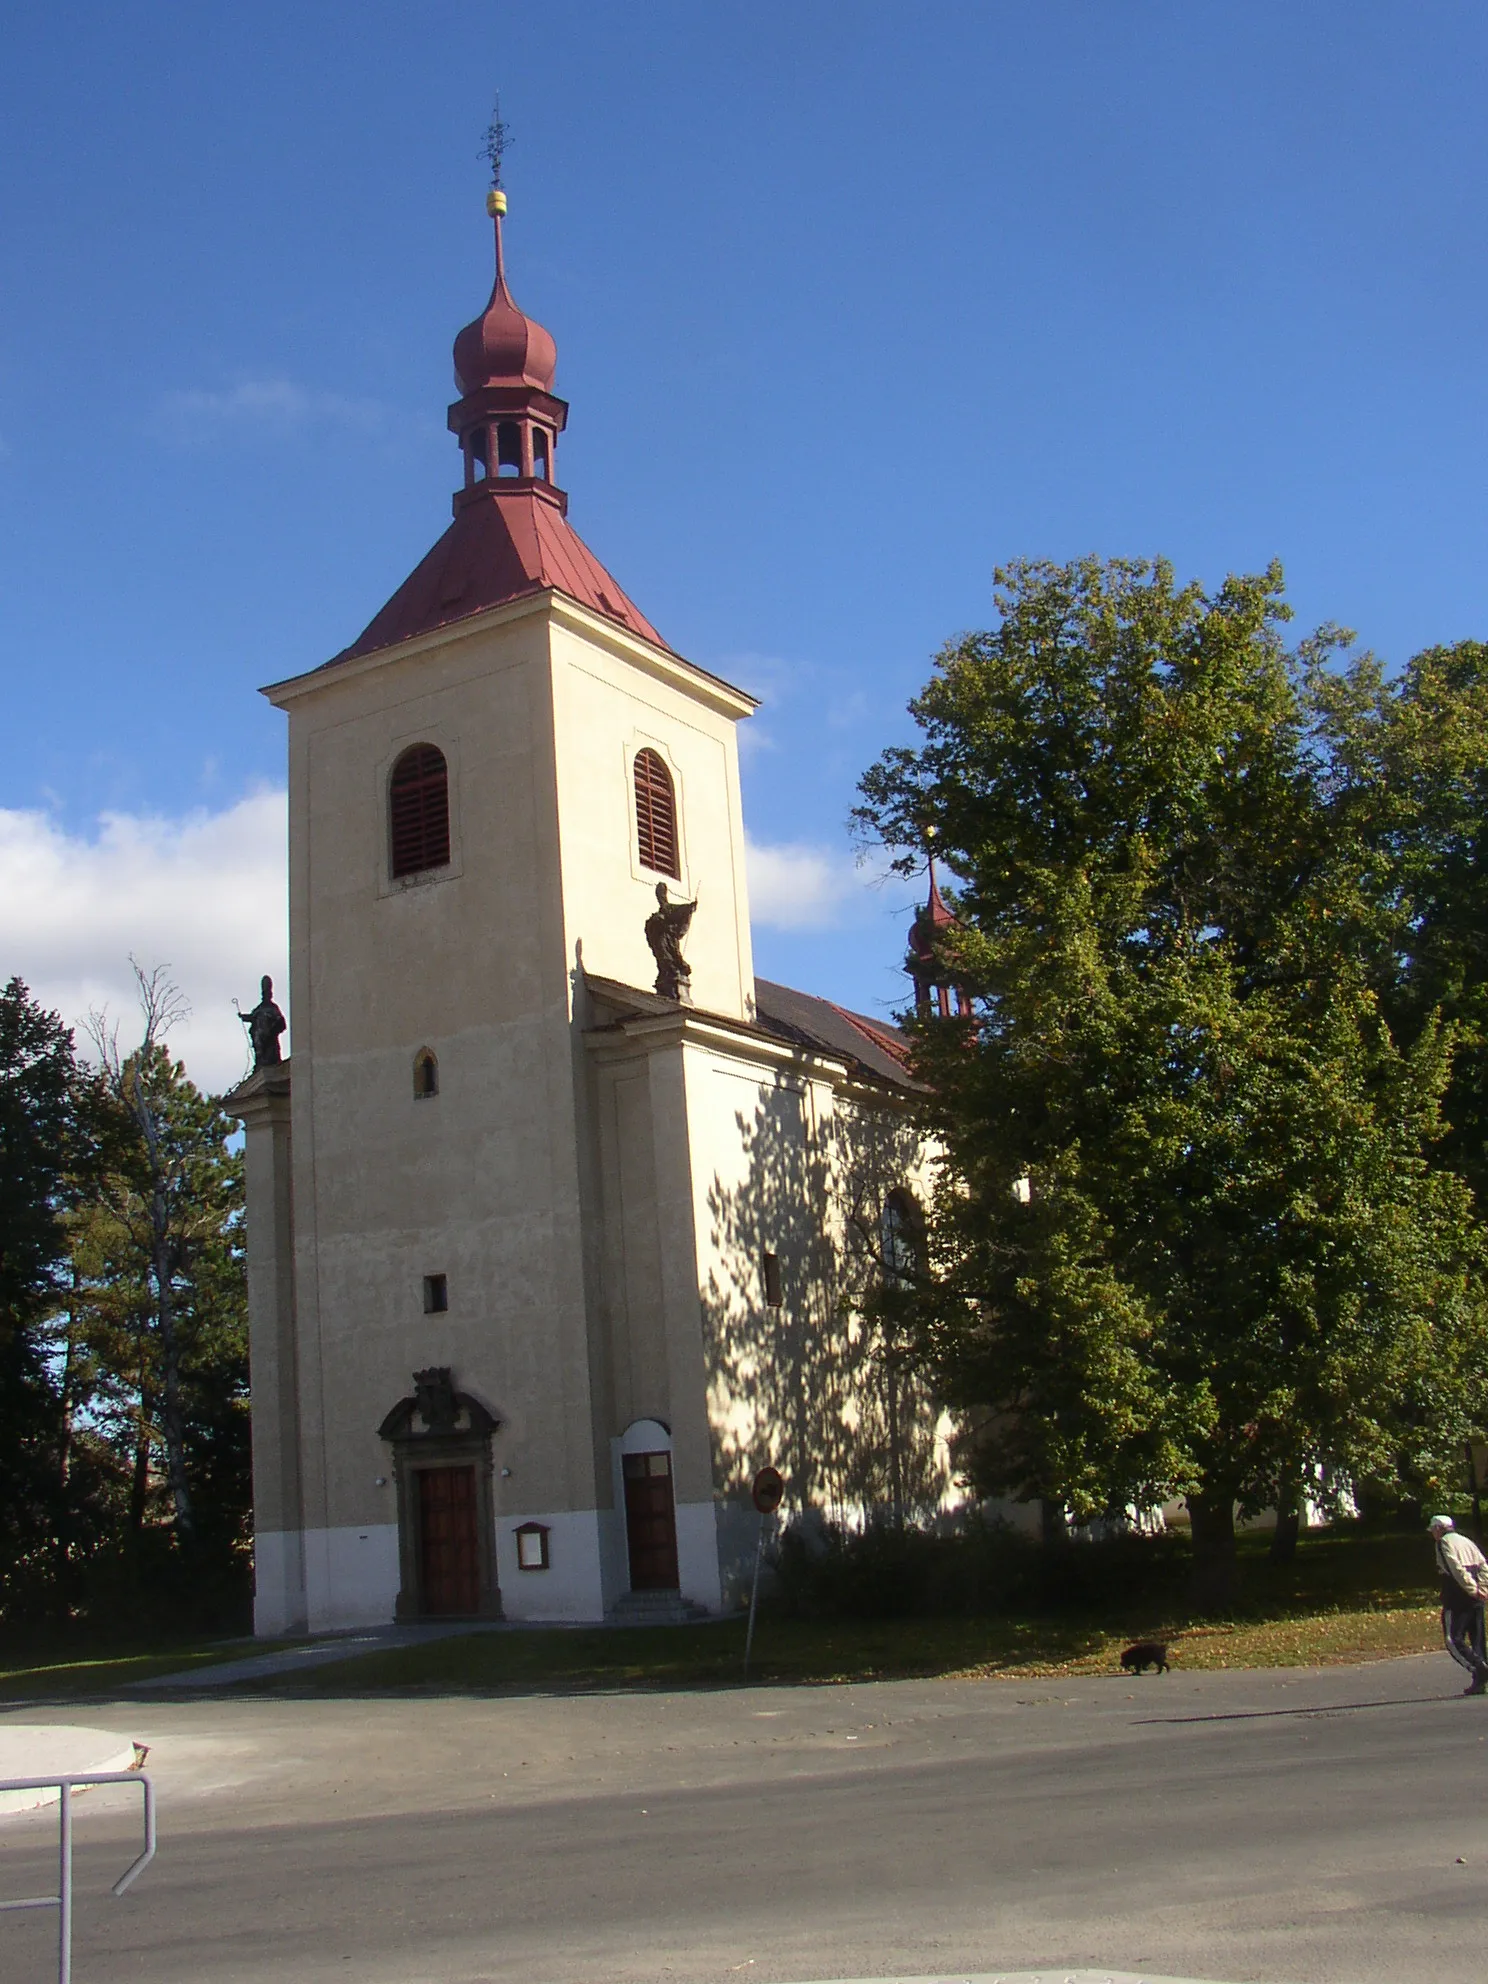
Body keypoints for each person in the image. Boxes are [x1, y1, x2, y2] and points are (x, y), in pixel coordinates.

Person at [1429, 1514, 1488, 1695]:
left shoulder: (1443, 1543)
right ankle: (1480, 1682)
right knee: (1477, 1639)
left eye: (1433, 1530)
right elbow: (1483, 1565)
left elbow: (1456, 1569)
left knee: (1453, 1639)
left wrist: (1471, 1589)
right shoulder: (1466, 1541)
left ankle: (1481, 1669)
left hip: (1457, 1597)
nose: (1432, 1534)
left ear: (1439, 1529)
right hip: (1476, 1597)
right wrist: (1483, 1588)